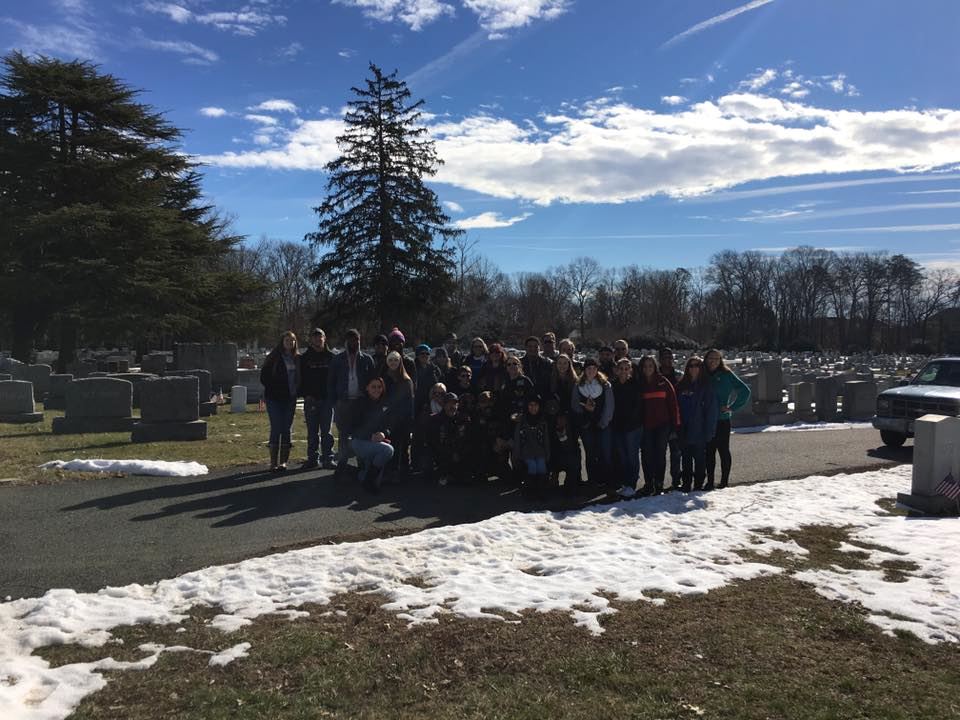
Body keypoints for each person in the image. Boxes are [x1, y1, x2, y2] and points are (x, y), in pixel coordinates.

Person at [327, 328, 376, 472]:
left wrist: (370, 402)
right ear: (346, 342)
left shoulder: (367, 359)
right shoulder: (338, 359)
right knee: (343, 436)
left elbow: (373, 382)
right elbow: (331, 382)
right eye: (351, 340)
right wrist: (334, 403)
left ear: (360, 341)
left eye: (356, 340)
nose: (354, 343)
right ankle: (342, 466)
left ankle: (361, 465)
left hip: (361, 403)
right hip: (344, 403)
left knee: (361, 435)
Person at [704, 348, 751, 490]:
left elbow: (745, 391)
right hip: (706, 419)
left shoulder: (726, 374)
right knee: (709, 452)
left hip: (722, 419)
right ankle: (710, 481)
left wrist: (732, 407)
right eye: (710, 358)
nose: (713, 361)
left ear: (720, 361)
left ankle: (724, 482)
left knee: (723, 450)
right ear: (705, 359)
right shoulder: (702, 374)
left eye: (716, 359)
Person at [637, 355, 680, 496]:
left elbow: (673, 405)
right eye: (645, 366)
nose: (648, 368)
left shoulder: (663, 382)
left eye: (650, 365)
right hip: (646, 425)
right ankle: (649, 483)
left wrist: (675, 425)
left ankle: (659, 483)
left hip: (663, 425)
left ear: (655, 367)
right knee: (647, 454)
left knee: (660, 454)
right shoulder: (639, 384)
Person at [676, 356, 719, 492]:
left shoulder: (706, 387)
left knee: (700, 459)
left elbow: (711, 411)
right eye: (691, 366)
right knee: (686, 458)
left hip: (699, 429)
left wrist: (709, 431)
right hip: (684, 428)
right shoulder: (681, 386)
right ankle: (686, 483)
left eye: (697, 366)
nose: (694, 368)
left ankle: (699, 484)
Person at [260, 331, 301, 472]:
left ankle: (283, 462)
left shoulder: (297, 358)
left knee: (287, 428)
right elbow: (264, 377)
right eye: (287, 340)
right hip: (274, 398)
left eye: (292, 341)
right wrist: (276, 388)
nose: (290, 343)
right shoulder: (274, 357)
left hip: (290, 398)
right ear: (282, 342)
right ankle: (273, 462)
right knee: (276, 427)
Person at [571, 358, 614, 489]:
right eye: (589, 368)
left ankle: (606, 480)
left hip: (602, 424)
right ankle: (592, 480)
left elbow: (609, 406)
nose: (591, 371)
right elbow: (575, 405)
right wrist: (584, 418)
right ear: (584, 370)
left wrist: (603, 422)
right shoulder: (578, 386)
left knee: (605, 453)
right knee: (590, 454)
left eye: (594, 368)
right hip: (586, 425)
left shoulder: (605, 385)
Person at [350, 376, 395, 493]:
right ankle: (368, 482)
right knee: (388, 450)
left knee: (370, 477)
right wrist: (370, 436)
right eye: (373, 387)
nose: (376, 389)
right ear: (367, 388)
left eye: (379, 387)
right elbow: (353, 428)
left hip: (376, 442)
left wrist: (384, 433)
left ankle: (361, 475)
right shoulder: (359, 404)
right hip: (360, 442)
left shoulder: (385, 403)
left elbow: (389, 425)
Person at [299, 328, 334, 470]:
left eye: (320, 337)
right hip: (311, 399)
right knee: (312, 432)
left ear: (324, 339)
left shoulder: (331, 357)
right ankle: (313, 459)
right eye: (315, 337)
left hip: (327, 400)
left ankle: (328, 458)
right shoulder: (305, 358)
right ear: (310, 340)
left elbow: (336, 378)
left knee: (327, 432)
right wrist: (305, 394)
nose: (317, 340)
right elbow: (300, 379)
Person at [610, 358, 643, 498]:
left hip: (633, 427)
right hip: (617, 426)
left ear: (630, 370)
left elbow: (638, 407)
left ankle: (632, 484)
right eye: (621, 368)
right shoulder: (612, 385)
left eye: (626, 368)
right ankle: (625, 483)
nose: (623, 371)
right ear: (617, 370)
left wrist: (631, 422)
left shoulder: (635, 385)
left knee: (632, 456)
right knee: (622, 456)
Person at [548, 353, 581, 491]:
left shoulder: (575, 381)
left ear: (569, 365)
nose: (562, 366)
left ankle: (572, 479)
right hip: (554, 420)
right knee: (554, 448)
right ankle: (554, 475)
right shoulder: (551, 381)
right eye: (559, 363)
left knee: (571, 448)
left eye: (565, 363)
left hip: (571, 421)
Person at [425, 392, 471, 485]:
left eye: (455, 403)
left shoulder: (464, 419)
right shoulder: (435, 420)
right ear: (444, 405)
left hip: (460, 455)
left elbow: (468, 439)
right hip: (441, 455)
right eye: (449, 403)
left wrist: (458, 453)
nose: (452, 406)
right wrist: (450, 454)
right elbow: (433, 442)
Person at [382, 350, 415, 478]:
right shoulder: (385, 378)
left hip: (404, 419)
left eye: (396, 360)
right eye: (390, 360)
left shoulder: (407, 380)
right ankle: (392, 471)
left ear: (400, 361)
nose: (393, 362)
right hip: (389, 419)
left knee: (404, 445)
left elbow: (410, 402)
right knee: (392, 445)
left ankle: (405, 472)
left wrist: (409, 419)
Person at [513, 395, 551, 499]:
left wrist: (547, 454)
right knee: (532, 466)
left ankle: (542, 491)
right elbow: (518, 439)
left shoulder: (543, 421)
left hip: (540, 451)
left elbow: (546, 439)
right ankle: (531, 490)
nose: (533, 408)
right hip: (526, 451)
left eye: (535, 405)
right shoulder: (522, 421)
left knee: (541, 465)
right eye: (530, 405)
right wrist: (517, 454)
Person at [659, 347, 683, 491]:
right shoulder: (655, 375)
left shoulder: (679, 376)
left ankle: (676, 480)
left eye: (669, 357)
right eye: (664, 357)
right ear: (659, 359)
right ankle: (659, 481)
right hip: (660, 419)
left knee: (676, 452)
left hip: (675, 419)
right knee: (660, 453)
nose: (667, 359)